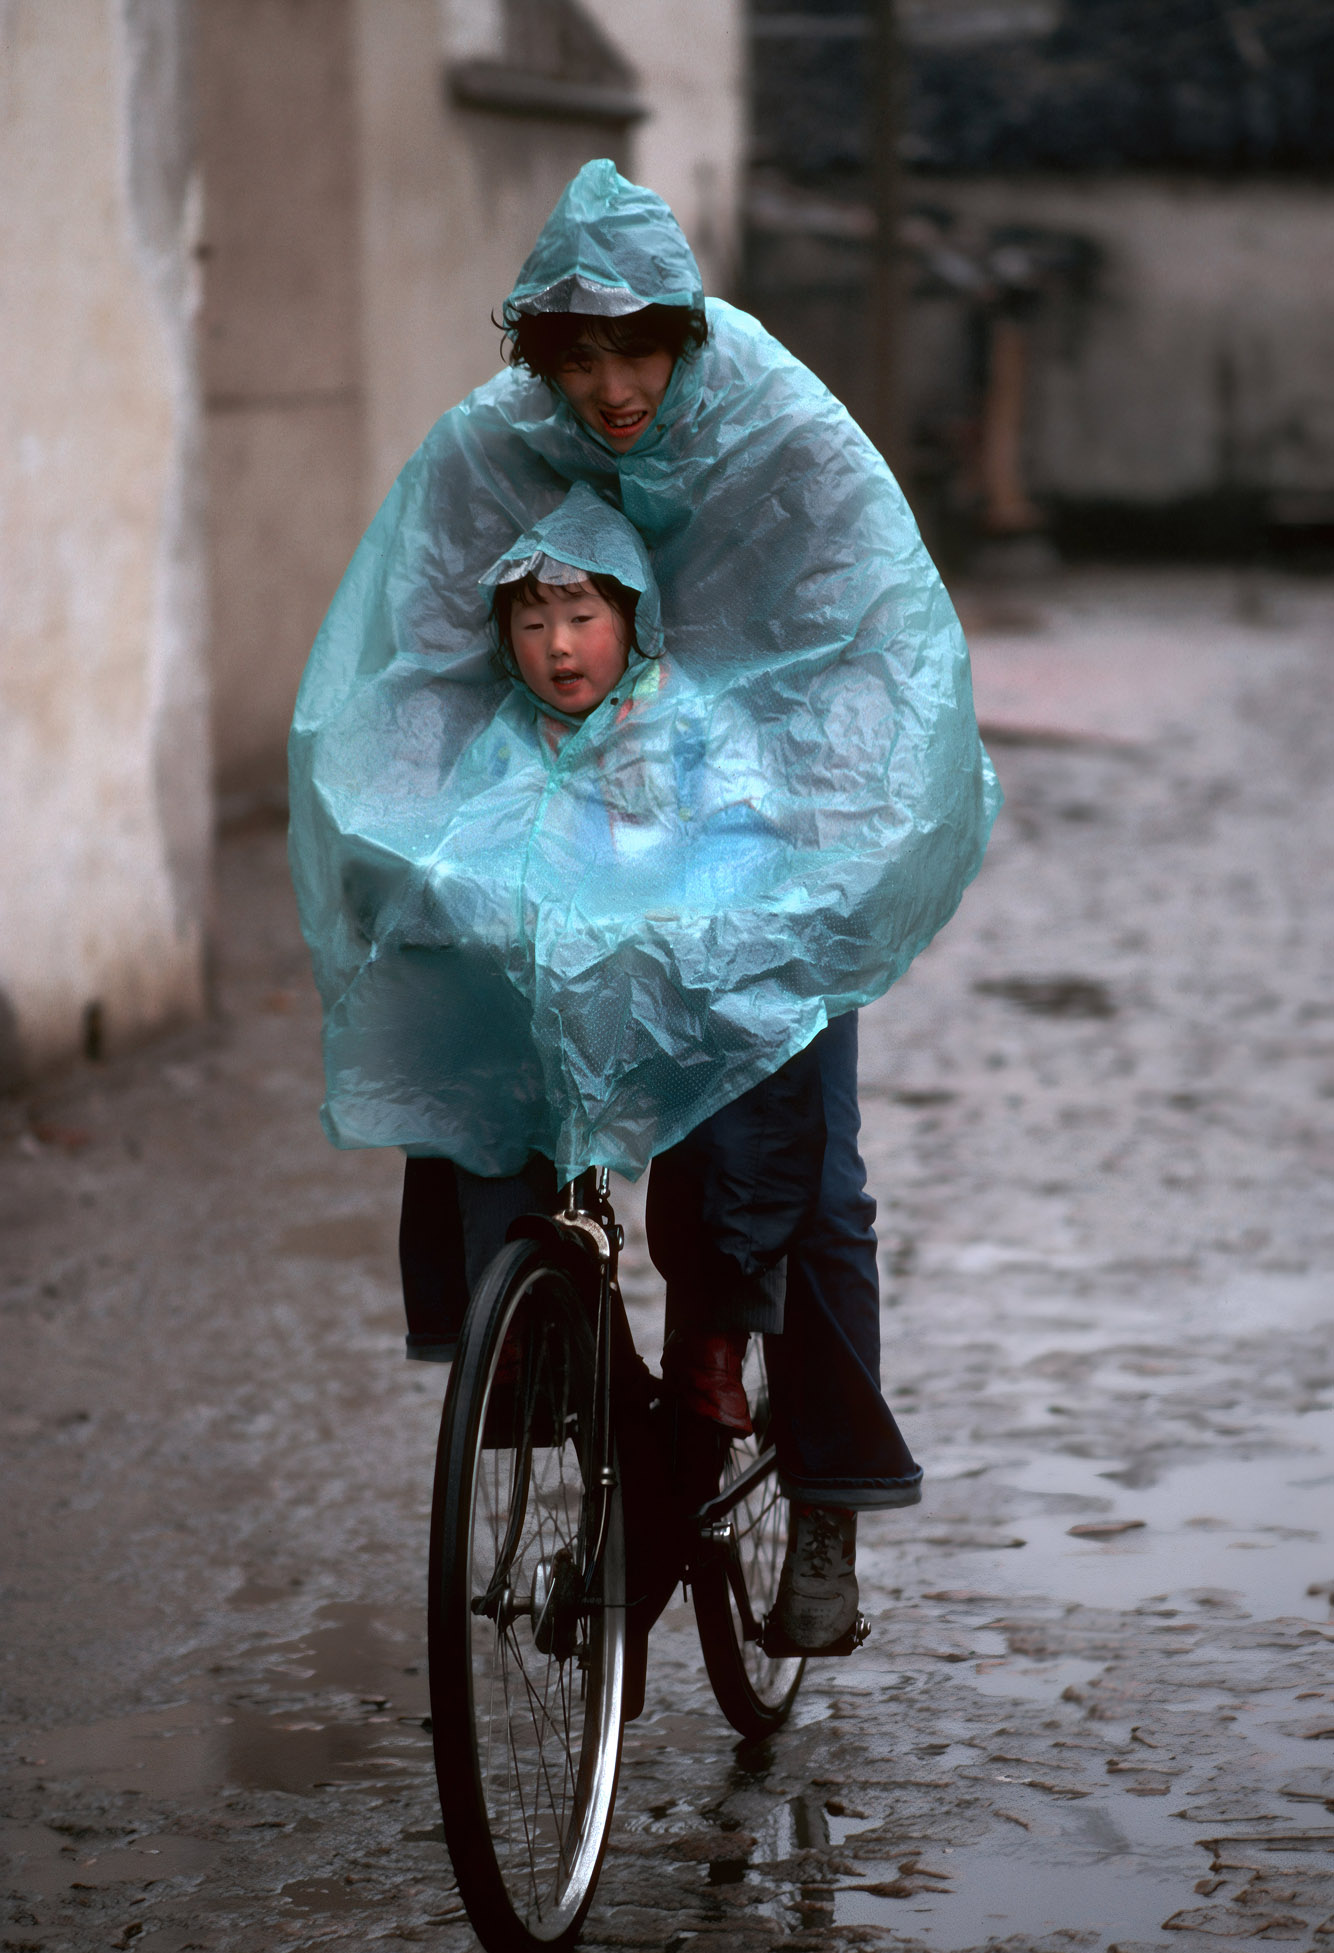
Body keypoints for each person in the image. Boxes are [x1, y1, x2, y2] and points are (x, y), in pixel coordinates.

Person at [289, 162, 1001, 1652]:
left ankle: (822, 1498)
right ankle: (604, 1418)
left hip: (763, 821)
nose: (612, 387)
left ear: (688, 333)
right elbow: (408, 659)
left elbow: (876, 651)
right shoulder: (493, 444)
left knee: (809, 1168)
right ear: (535, 359)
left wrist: (812, 860)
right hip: (573, 832)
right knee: (479, 1084)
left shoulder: (784, 431)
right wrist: (416, 842)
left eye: (639, 350)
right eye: (576, 358)